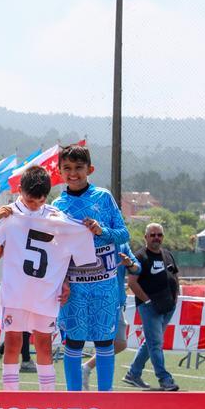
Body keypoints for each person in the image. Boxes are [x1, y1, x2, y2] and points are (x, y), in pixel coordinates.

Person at [0, 166, 96, 391]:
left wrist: (86, 231)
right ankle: (10, 398)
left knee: (44, 344)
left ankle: (47, 398)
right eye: (29, 200)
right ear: (19, 191)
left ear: (47, 196)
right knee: (12, 343)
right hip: (15, 292)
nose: (34, 205)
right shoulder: (10, 214)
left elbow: (74, 251)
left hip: (45, 294)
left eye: (39, 201)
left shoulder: (57, 219)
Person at [52, 144, 129, 392]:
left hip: (104, 286)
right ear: (60, 171)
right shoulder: (57, 205)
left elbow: (123, 234)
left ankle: (105, 396)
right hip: (74, 288)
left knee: (105, 342)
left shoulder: (104, 197)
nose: (73, 173)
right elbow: (55, 250)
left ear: (90, 169)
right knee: (73, 343)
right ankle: (74, 397)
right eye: (67, 168)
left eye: (79, 168)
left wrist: (101, 230)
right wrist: (61, 282)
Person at [124, 223, 180, 391]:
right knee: (156, 343)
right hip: (149, 307)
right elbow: (132, 283)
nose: (156, 237)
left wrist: (175, 296)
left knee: (152, 342)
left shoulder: (168, 254)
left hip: (168, 305)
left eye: (159, 235)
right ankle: (164, 379)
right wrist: (148, 301)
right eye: (153, 235)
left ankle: (133, 374)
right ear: (146, 237)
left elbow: (175, 275)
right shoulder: (139, 257)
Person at [83, 242, 140, 389]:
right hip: (95, 299)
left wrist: (130, 263)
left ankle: (87, 368)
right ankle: (104, 389)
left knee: (119, 343)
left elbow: (137, 268)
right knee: (103, 344)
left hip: (116, 301)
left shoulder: (123, 244)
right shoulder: (92, 240)